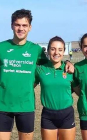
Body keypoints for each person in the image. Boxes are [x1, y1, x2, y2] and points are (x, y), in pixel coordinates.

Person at [0, 9, 74, 140]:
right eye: (17, 25)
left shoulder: (36, 50)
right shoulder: (2, 47)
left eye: (24, 25)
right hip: (3, 106)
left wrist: (67, 62)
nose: (21, 28)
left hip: (26, 106)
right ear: (12, 25)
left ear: (30, 27)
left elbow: (54, 62)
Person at [35, 36, 75, 140]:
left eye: (60, 50)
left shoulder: (70, 70)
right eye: (53, 49)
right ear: (48, 50)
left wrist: (68, 62)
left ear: (64, 51)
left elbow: (80, 91)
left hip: (67, 114)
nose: (56, 52)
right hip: (48, 115)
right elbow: (29, 86)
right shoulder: (40, 70)